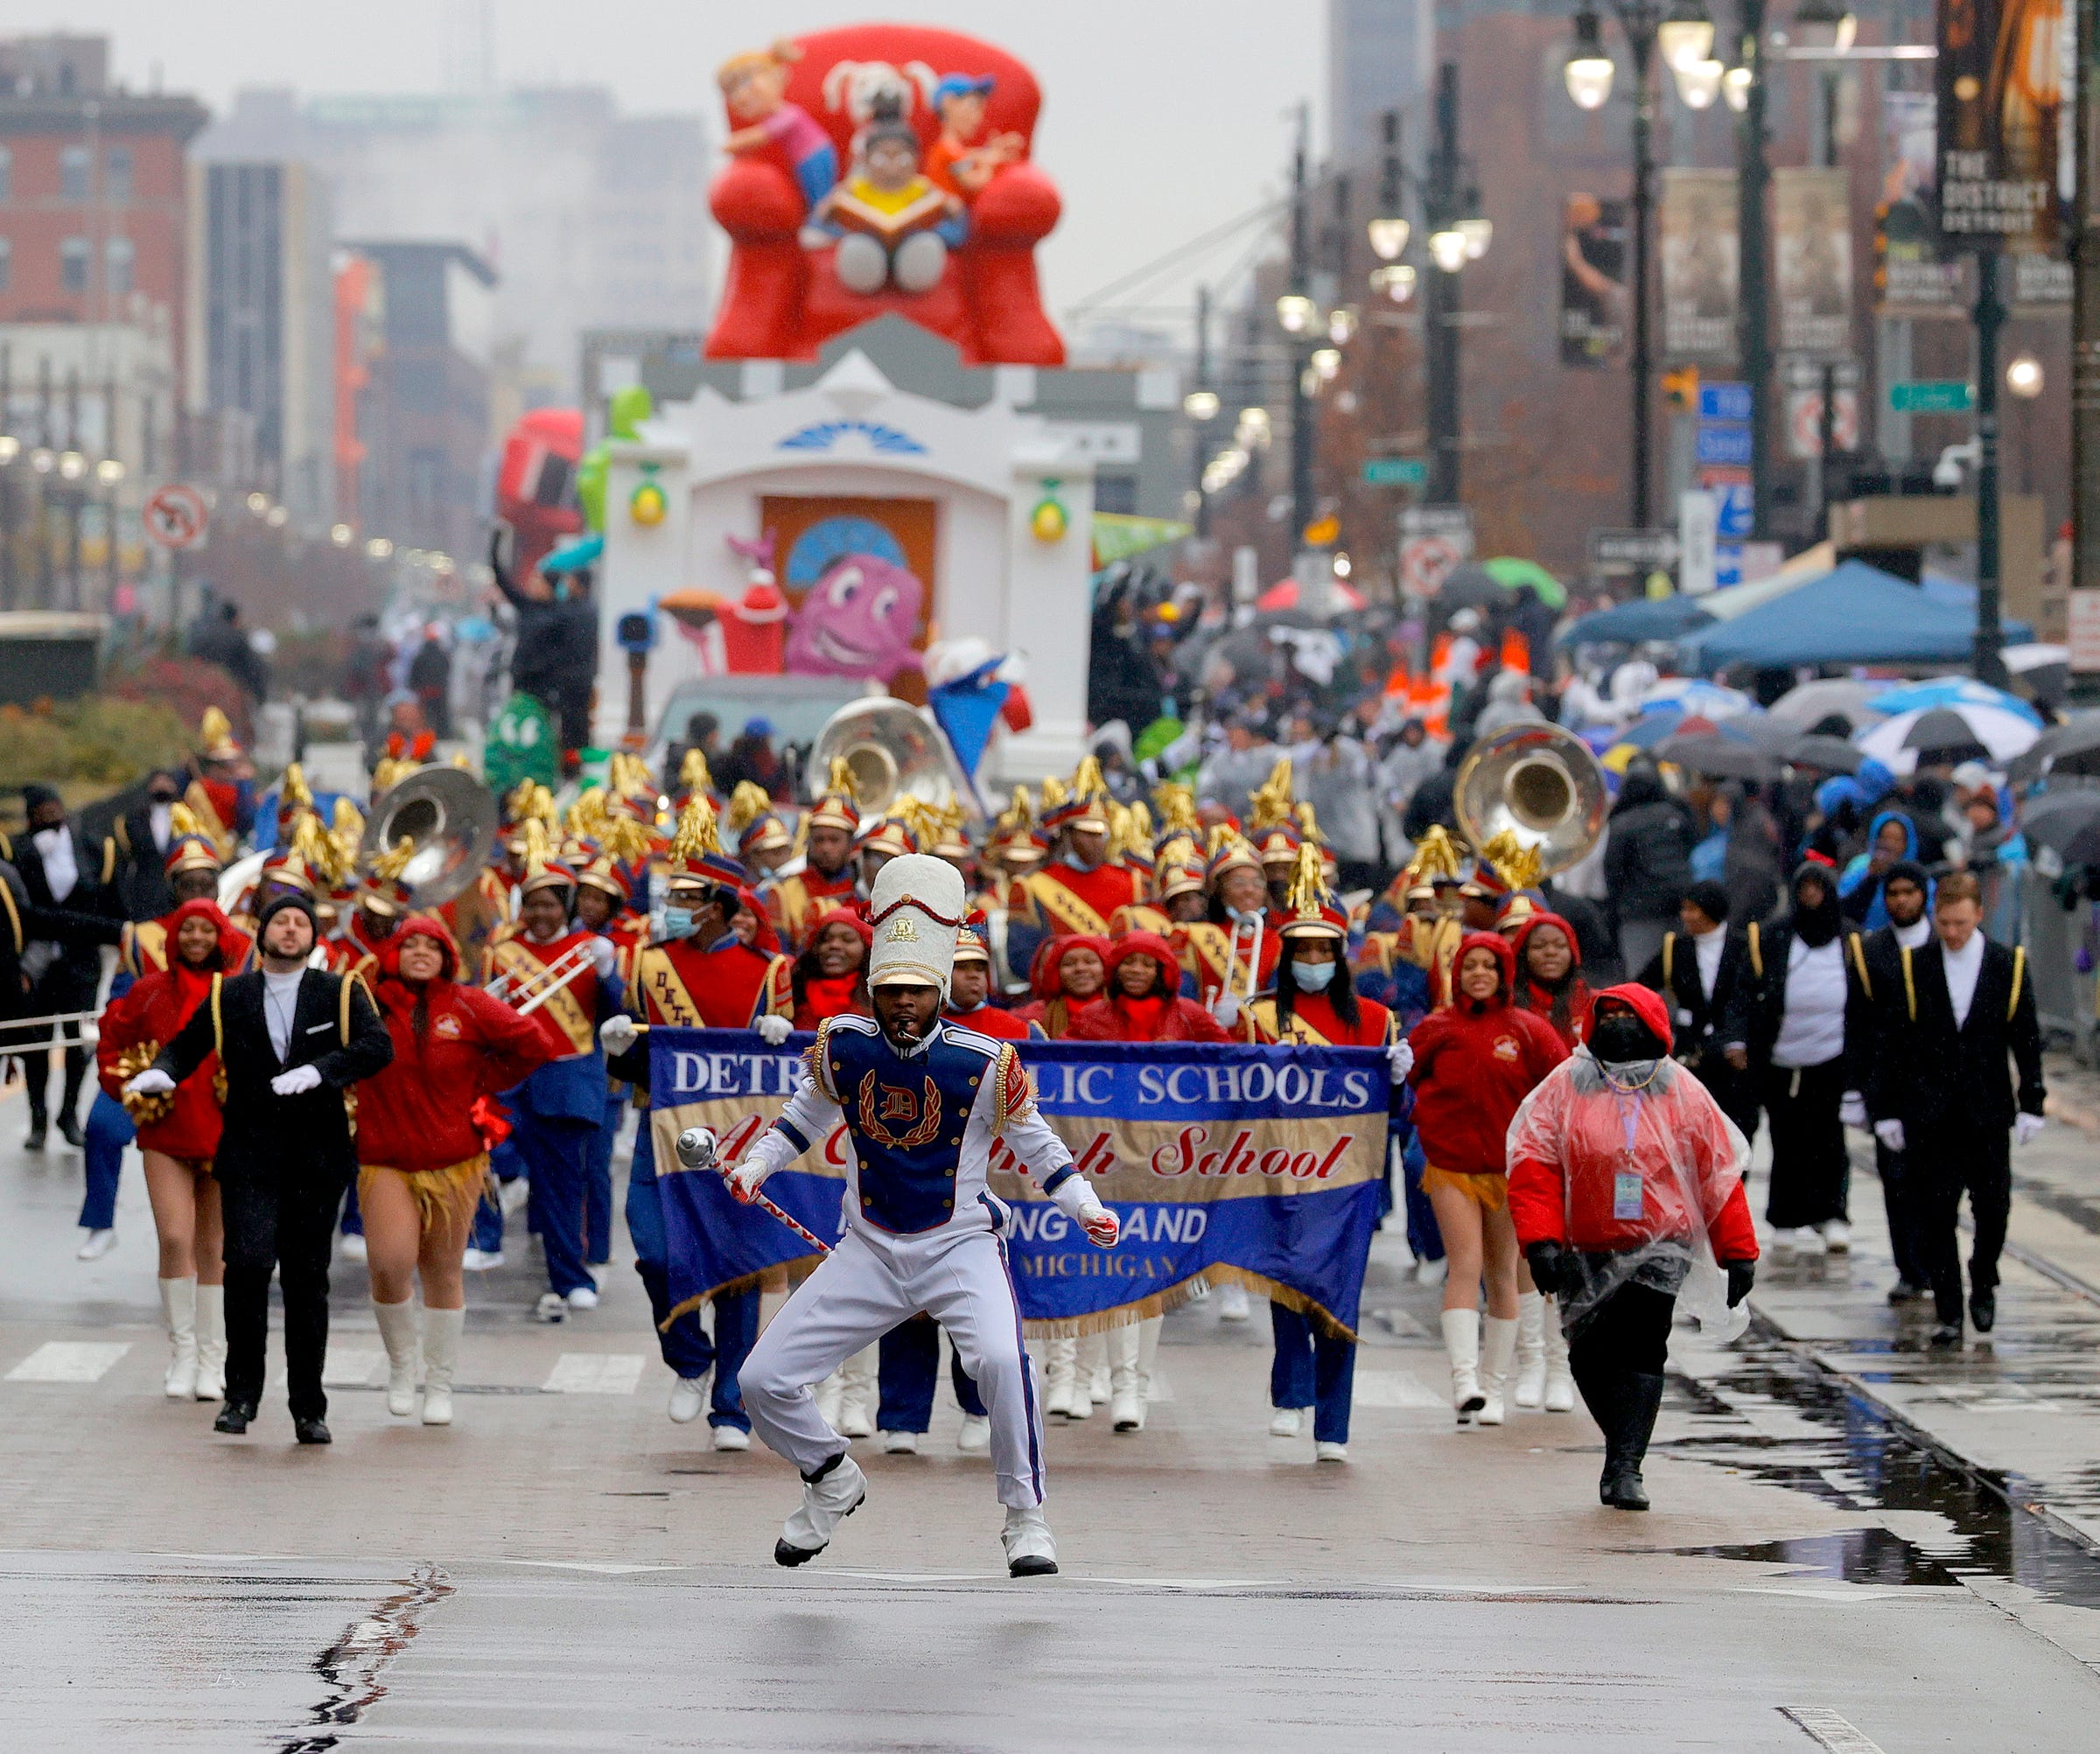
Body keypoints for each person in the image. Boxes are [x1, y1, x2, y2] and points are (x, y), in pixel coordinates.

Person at [724, 854, 1124, 1576]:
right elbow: (801, 1118)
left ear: (938, 989)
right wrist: (756, 1165)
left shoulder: (985, 1062)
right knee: (761, 1381)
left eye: (916, 990)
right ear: (874, 991)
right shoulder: (839, 1045)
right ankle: (831, 1477)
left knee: (1004, 1362)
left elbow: (1038, 1145)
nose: (903, 1002)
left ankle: (1026, 1516)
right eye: (891, 990)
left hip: (959, 1244)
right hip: (867, 1248)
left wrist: (1085, 1207)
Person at [124, 892, 392, 1443]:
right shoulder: (232, 994)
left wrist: (322, 1071)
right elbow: (188, 1044)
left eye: (301, 923)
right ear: (261, 935)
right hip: (249, 1153)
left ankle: (307, 1408)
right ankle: (240, 1394)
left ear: (313, 938)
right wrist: (164, 1072)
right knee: (245, 1265)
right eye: (281, 922)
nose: (290, 930)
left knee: (305, 1280)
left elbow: (376, 1046)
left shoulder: (339, 992)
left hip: (317, 1157)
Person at [1508, 985, 1759, 1510]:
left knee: (1645, 1347)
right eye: (1611, 1014)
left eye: (1630, 1015)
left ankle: (1625, 1465)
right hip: (1585, 1242)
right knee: (1589, 1354)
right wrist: (1541, 1241)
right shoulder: (1565, 1086)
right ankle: (1621, 1440)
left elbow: (1718, 1172)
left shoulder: (1681, 1089)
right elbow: (1534, 1164)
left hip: (1662, 1243)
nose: (1620, 1023)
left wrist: (1738, 1250)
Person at [601, 800, 793, 1438]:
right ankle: (689, 1357)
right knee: (655, 1253)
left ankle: (730, 1405)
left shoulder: (769, 972)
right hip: (663, 1132)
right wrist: (618, 1048)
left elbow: (787, 1076)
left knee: (737, 1271)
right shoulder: (649, 963)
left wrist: (783, 1036)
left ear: (720, 904)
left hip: (739, 1137)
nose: (673, 904)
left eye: (687, 895)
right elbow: (639, 1058)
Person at [358, 917, 552, 1425]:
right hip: (384, 1160)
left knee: (443, 1272)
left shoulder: (468, 1004)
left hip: (455, 1162)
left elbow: (534, 1042)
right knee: (388, 1263)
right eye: (410, 944)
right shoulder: (365, 1002)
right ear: (393, 953)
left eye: (432, 946)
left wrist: (482, 1081)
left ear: (448, 956)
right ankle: (403, 1367)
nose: (421, 952)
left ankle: (439, 1384)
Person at [1243, 867, 1406, 1460]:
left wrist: (1398, 1079)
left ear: (1342, 953)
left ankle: (1333, 1426)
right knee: (1286, 1284)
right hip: (1277, 1169)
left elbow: (1395, 1112)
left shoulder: (1376, 1019)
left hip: (1349, 1176)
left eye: (1324, 948)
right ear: (1287, 955)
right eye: (1303, 948)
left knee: (1340, 1296)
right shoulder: (1258, 1015)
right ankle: (1291, 1393)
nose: (1314, 957)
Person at [1866, 870, 2046, 1345]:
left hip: (1987, 1113)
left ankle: (1983, 1278)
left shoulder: (2008, 964)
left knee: (1994, 1209)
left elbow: (2025, 1038)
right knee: (1935, 1215)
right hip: (1930, 1114)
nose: (1952, 933)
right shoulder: (1915, 966)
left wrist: (2032, 1102)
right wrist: (1884, 1109)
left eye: (1961, 924)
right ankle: (1949, 1310)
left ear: (1979, 916)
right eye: (1944, 923)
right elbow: (1892, 1044)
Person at [1405, 933, 1569, 1425]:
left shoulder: (1529, 1029)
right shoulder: (1436, 1028)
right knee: (1466, 1264)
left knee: (1504, 1273)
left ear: (1503, 975)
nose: (1479, 974)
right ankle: (1464, 1380)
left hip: (1510, 1170)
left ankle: (1496, 1387)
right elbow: (1403, 1078)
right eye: (1470, 966)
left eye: (1489, 967)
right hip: (1452, 1167)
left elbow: (1561, 1089)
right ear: (1457, 975)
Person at [94, 898, 249, 1401]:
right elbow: (112, 1038)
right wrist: (126, 1089)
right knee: (176, 1241)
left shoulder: (239, 992)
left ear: (221, 936)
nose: (197, 939)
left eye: (207, 930)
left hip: (225, 1134)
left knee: (214, 1249)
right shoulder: (150, 990)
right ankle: (183, 1353)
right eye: (188, 930)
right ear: (176, 937)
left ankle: (213, 1358)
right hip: (165, 1135)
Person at [77, 829, 233, 1261]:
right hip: (151, 1064)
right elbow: (120, 1004)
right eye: (189, 883)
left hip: (214, 1072)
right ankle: (100, 1223)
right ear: (173, 887)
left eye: (207, 883)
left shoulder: (239, 937)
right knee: (103, 1128)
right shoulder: (141, 937)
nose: (199, 891)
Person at [486, 854, 623, 1323]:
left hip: (567, 1080)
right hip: (510, 1083)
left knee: (562, 1186)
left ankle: (572, 1278)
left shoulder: (591, 949)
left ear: (565, 906)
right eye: (532, 905)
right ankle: (485, 1243)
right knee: (489, 1164)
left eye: (549, 905)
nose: (540, 914)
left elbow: (617, 1013)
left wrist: (609, 976)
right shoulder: (503, 950)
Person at [1746, 861, 1871, 1255]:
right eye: (1805, 889)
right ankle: (1785, 1216)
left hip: (1832, 1056)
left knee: (1829, 1138)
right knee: (1785, 1137)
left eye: (1819, 888)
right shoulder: (1775, 936)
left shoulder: (1849, 939)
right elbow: (1754, 989)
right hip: (1781, 1058)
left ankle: (1833, 1213)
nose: (1812, 896)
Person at [12, 784, 124, 1147]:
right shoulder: (17, 851)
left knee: (79, 1041)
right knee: (36, 1042)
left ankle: (69, 1113)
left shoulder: (93, 849)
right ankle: (38, 1119)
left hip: (81, 962)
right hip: (37, 966)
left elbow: (109, 903)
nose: (49, 815)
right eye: (41, 810)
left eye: (54, 807)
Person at [1853, 860, 1936, 1304]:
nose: (1901, 900)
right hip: (1889, 1085)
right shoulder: (1871, 950)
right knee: (1897, 1180)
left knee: (1936, 1183)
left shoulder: (1943, 944)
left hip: (1938, 1083)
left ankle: (1934, 1264)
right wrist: (1855, 1089)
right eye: (1894, 893)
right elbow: (1859, 1023)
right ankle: (1908, 1267)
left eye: (1910, 892)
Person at [1636, 880, 1760, 1141]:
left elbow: (1751, 1000)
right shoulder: (1676, 949)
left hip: (1734, 1059)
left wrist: (1741, 1040)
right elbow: (1641, 988)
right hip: (1692, 1055)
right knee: (1690, 1129)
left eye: (1692, 909)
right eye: (1684, 909)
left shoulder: (1745, 947)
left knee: (1736, 1128)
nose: (1685, 916)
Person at [1602, 763, 1696, 980]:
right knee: (1678, 974)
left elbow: (1613, 871)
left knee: (1643, 980)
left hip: (1639, 913)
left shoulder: (1621, 824)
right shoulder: (1675, 815)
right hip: (1679, 909)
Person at [1068, 932, 1231, 1046]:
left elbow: (1228, 1055)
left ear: (1162, 973)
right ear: (1115, 969)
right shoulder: (1090, 1017)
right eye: (1128, 962)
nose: (1136, 970)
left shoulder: (1190, 1014)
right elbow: (1058, 1060)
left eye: (1147, 964)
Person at [791, 909, 872, 1031]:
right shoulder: (794, 991)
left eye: (848, 939)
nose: (834, 945)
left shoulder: (878, 998)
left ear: (867, 948)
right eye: (826, 939)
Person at [406, 626, 452, 739]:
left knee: (425, 716)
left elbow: (414, 673)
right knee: (441, 715)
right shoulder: (442, 655)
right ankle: (442, 735)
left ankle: (424, 735)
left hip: (424, 691)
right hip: (439, 691)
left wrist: (414, 686)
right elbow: (446, 670)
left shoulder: (420, 655)